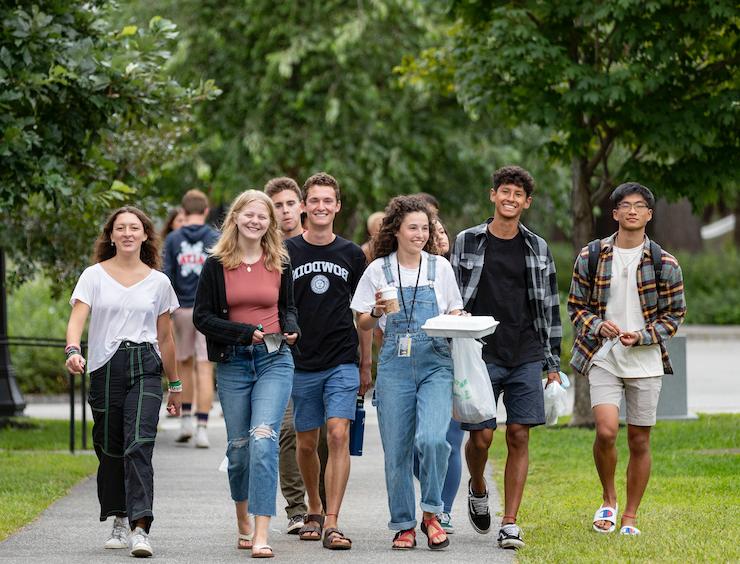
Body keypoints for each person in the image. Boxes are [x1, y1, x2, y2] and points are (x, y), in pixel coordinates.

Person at [450, 165, 562, 549]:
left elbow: (550, 308)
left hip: (526, 351)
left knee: (518, 434)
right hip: (480, 352)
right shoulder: (466, 241)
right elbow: (451, 298)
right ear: (492, 195)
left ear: (526, 203)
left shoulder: (538, 247)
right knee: (480, 436)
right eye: (505, 192)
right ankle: (478, 487)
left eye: (518, 194)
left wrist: (553, 365)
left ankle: (510, 521)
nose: (510, 199)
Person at [568, 182, 686, 536]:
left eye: (639, 206)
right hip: (604, 355)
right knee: (605, 431)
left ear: (649, 215)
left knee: (639, 440)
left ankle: (630, 517)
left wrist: (644, 336)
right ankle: (608, 499)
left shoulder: (664, 262)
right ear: (615, 213)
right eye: (625, 205)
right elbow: (576, 306)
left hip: (646, 360)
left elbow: (674, 314)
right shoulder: (592, 255)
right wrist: (598, 326)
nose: (632, 211)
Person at [65, 206, 181, 558]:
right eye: (121, 228)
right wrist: (72, 350)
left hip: (146, 364)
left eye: (135, 227)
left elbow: (166, 337)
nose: (128, 233)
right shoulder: (93, 276)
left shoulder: (159, 281)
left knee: (139, 443)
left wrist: (175, 385)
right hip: (105, 368)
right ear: (111, 235)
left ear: (145, 234)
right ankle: (118, 515)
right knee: (109, 447)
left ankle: (140, 528)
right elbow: (77, 319)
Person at [352, 195, 462, 550]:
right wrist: (375, 310)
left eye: (425, 228)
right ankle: (403, 524)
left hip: (435, 364)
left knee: (433, 440)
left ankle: (432, 512)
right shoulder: (377, 270)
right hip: (395, 367)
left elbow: (455, 311)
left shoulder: (440, 268)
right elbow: (363, 322)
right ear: (396, 230)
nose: (419, 234)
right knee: (397, 451)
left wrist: (457, 318)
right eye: (412, 227)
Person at [193, 190, 300, 558]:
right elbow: (202, 318)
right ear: (235, 217)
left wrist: (291, 328)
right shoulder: (215, 264)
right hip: (234, 363)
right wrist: (242, 333)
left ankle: (261, 532)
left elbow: (288, 308)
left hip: (274, 359)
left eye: (263, 217)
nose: (256, 221)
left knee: (264, 437)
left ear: (270, 224)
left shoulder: (279, 261)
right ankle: (242, 519)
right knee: (239, 450)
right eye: (249, 214)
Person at [285, 172, 371, 550]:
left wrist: (366, 363)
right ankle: (314, 508)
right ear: (304, 206)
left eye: (328, 201)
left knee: (338, 433)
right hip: (301, 361)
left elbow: (364, 314)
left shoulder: (352, 255)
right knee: (307, 442)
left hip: (341, 359)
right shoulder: (286, 252)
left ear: (337, 206)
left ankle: (333, 522)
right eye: (314, 201)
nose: (321, 207)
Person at [264, 176, 329, 535]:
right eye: (278, 205)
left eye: (291, 204)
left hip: (322, 355)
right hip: (279, 353)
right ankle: (296, 508)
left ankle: (322, 507)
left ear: (301, 206)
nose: (285, 211)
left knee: (319, 436)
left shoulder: (315, 244)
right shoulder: (266, 249)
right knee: (289, 429)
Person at [417, 216, 463, 534]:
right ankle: (433, 491)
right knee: (417, 446)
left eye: (442, 230)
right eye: (434, 232)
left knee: (450, 440)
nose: (441, 236)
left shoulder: (458, 269)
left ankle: (442, 510)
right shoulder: (412, 272)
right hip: (416, 363)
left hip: (457, 363)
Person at [163, 189, 219, 448]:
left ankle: (185, 418)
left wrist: (171, 310)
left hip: (182, 309)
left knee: (183, 364)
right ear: (206, 211)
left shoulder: (173, 239)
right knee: (205, 368)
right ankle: (202, 427)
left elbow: (168, 276)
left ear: (183, 212)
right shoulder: (215, 237)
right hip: (207, 311)